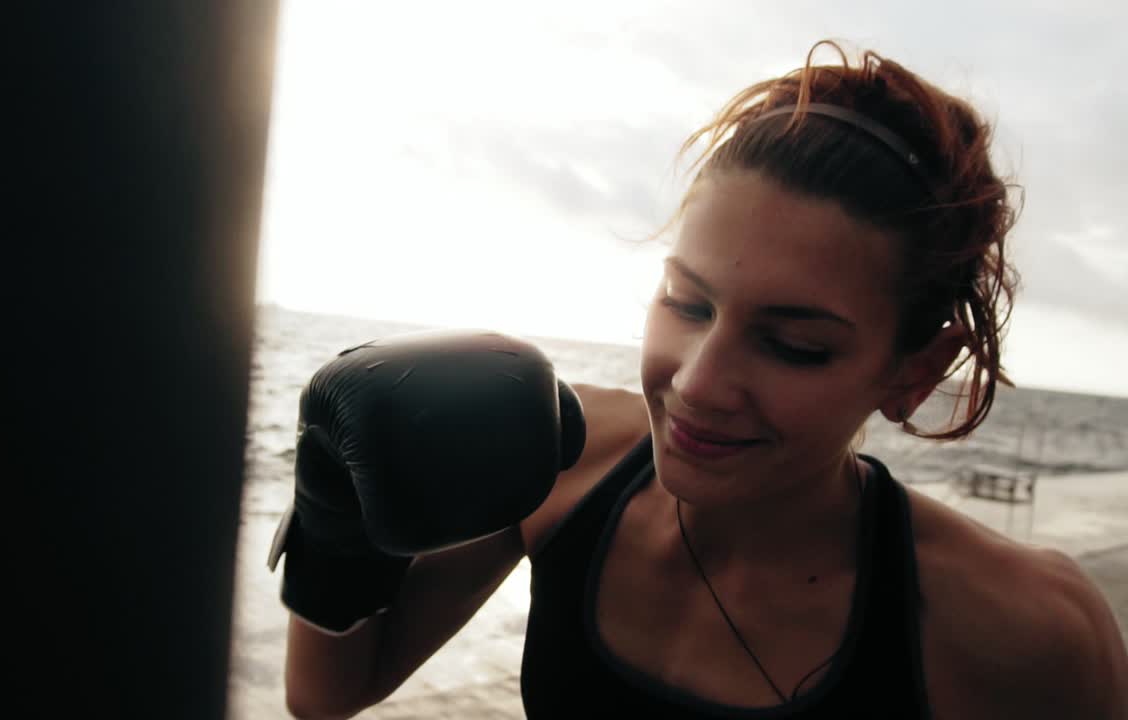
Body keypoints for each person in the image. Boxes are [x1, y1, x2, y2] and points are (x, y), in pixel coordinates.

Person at [274, 40, 1128, 719]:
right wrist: (331, 520)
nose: (699, 383)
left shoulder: (1021, 632)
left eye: (794, 344)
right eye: (687, 302)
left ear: (913, 371)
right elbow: (328, 693)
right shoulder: (558, 462)